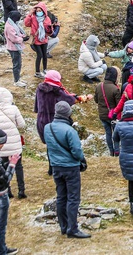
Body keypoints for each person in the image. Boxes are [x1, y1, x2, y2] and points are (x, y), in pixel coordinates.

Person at [44, 101, 90, 239]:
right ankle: (73, 229)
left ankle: (63, 227)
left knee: (61, 197)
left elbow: (49, 147)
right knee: (73, 198)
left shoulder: (47, 128)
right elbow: (76, 151)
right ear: (68, 114)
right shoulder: (70, 131)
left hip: (56, 167)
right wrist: (82, 160)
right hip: (70, 168)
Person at [0, 87, 27, 199]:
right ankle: (21, 191)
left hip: (1, 144)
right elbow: (22, 125)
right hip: (15, 143)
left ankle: (8, 191)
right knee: (18, 167)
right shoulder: (14, 109)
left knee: (4, 167)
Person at [34, 70, 78, 145]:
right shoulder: (57, 91)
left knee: (48, 144)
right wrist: (78, 98)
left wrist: (37, 110)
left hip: (41, 120)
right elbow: (70, 100)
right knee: (56, 145)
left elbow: (37, 103)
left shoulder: (40, 88)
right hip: (53, 121)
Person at [94, 66, 122, 156]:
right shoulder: (115, 89)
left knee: (108, 133)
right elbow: (119, 105)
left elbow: (96, 100)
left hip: (102, 115)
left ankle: (111, 151)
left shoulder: (99, 86)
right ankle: (117, 150)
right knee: (116, 133)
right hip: (113, 115)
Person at [24, 2, 53, 79]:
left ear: (43, 11)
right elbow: (26, 23)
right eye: (37, 10)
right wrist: (29, 14)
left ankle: (45, 69)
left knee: (44, 55)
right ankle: (37, 72)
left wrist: (49, 31)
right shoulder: (33, 18)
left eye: (40, 10)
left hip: (44, 39)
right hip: (36, 40)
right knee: (39, 55)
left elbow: (50, 30)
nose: (38, 12)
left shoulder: (47, 19)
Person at [4, 10, 28, 87]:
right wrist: (22, 39)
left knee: (19, 64)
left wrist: (22, 36)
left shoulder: (12, 23)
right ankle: (16, 81)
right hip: (13, 48)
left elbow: (17, 33)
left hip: (15, 47)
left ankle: (18, 79)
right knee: (16, 65)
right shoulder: (9, 27)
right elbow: (14, 38)